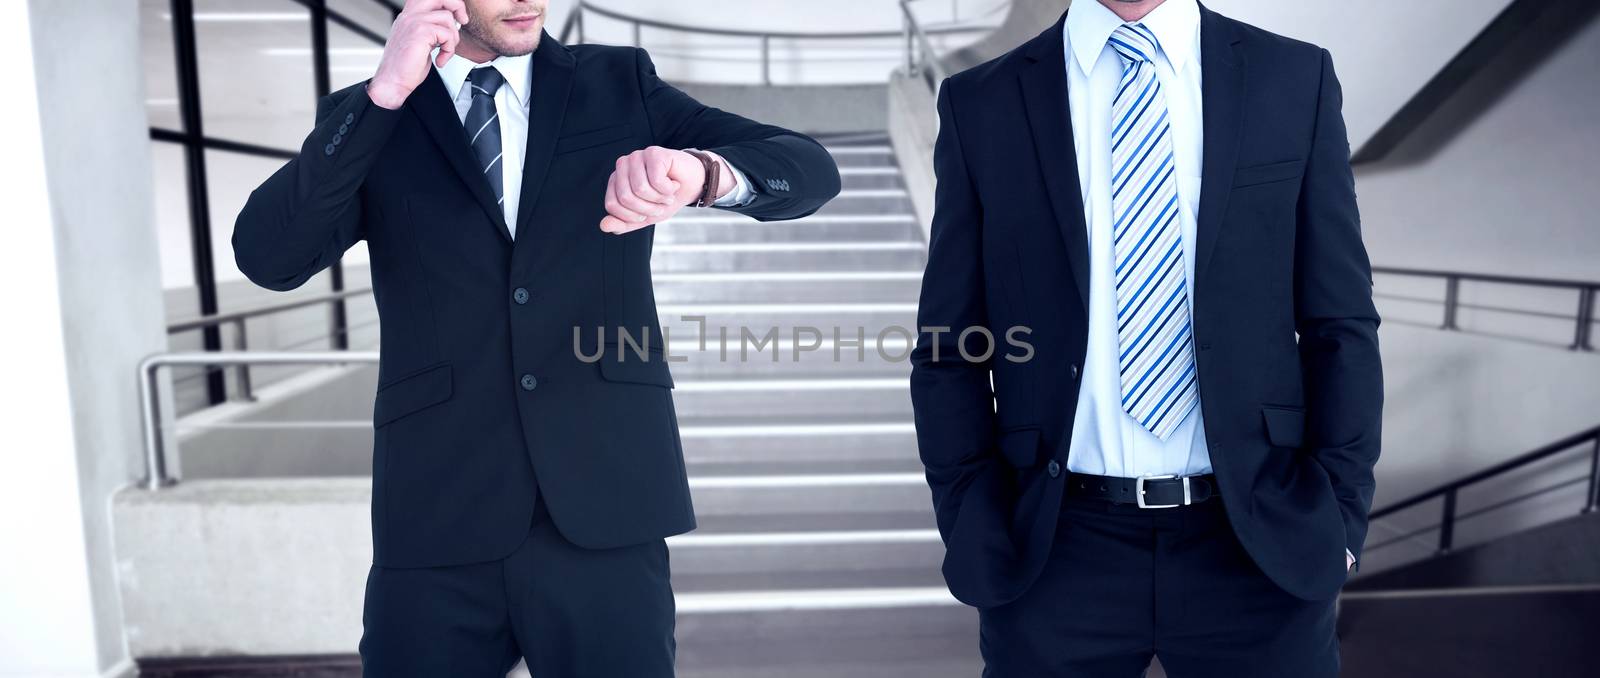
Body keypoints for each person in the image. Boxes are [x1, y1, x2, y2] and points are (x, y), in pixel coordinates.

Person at [232, 0, 840, 675]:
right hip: (437, 512)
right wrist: (383, 96)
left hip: (604, 504)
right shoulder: (375, 114)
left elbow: (807, 167)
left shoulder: (617, 83)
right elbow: (270, 256)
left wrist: (703, 174)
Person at [909, 0, 1382, 675]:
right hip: (1054, 550)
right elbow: (950, 345)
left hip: (1259, 541)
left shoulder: (1292, 77)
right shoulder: (980, 102)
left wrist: (1340, 511)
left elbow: (1341, 324)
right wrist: (970, 517)